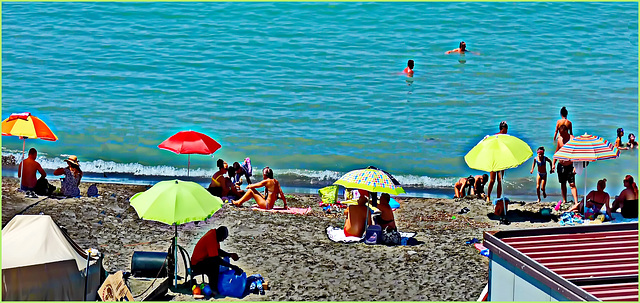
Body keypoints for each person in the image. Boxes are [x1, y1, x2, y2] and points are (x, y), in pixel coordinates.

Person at [190, 226, 243, 295]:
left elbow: (217, 251)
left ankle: (215, 286)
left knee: (214, 263)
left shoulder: (214, 234)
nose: (221, 240)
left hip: (202, 261)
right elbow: (216, 259)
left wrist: (229, 255)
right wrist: (232, 266)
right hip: (196, 265)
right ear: (221, 237)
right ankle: (214, 289)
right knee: (214, 265)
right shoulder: (211, 238)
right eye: (222, 239)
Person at [553, 124, 579, 205]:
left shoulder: (572, 139)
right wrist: (553, 163)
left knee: (572, 184)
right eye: (560, 133)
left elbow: (577, 153)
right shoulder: (560, 139)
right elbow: (557, 151)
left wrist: (576, 166)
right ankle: (565, 200)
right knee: (563, 183)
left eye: (562, 133)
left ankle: (575, 201)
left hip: (570, 165)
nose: (560, 135)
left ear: (566, 131)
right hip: (561, 164)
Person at [486, 121, 508, 202]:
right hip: (494, 159)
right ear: (502, 129)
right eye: (505, 130)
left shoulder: (506, 137)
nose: (506, 132)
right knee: (492, 180)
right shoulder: (495, 136)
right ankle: (488, 196)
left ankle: (499, 198)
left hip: (502, 159)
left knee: (500, 180)